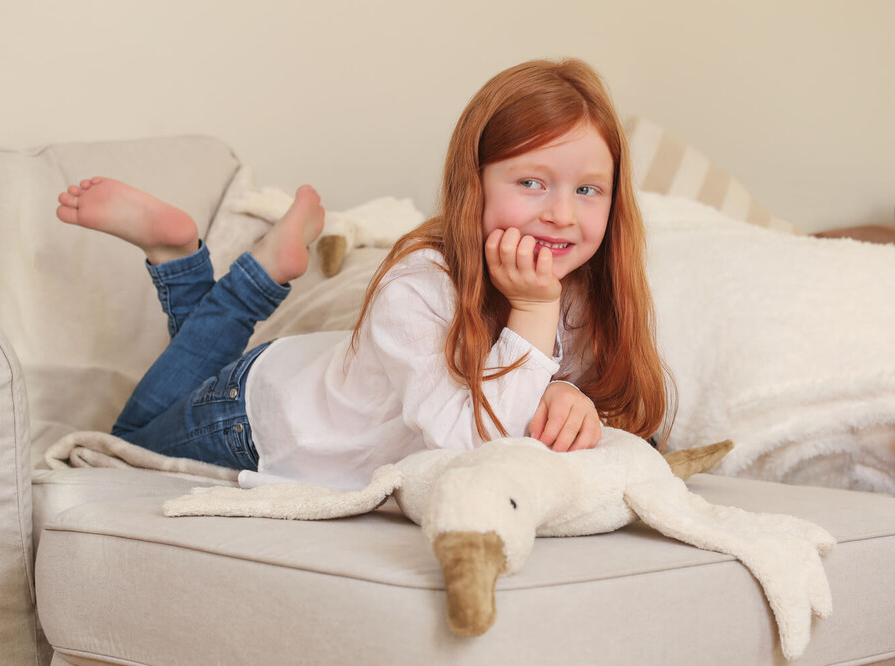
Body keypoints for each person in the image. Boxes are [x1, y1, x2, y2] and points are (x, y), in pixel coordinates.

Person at [55, 58, 672, 490]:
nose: (562, 214)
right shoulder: (421, 282)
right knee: (125, 442)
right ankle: (215, 269)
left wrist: (569, 395)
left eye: (588, 189)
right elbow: (473, 451)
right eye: (532, 182)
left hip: (315, 375)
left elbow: (618, 426)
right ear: (474, 185)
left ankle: (205, 260)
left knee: (158, 404)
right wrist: (532, 311)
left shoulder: (588, 290)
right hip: (257, 417)